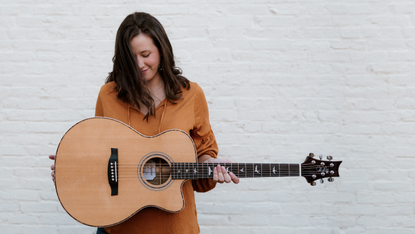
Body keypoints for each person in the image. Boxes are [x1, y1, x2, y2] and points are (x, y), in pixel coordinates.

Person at [49, 12, 239, 234]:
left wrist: (210, 165)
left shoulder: (191, 95)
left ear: (162, 49)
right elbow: (101, 156)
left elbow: (202, 157)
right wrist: (74, 170)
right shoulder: (108, 95)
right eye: (131, 58)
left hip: (175, 228)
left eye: (146, 54)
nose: (139, 64)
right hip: (118, 228)